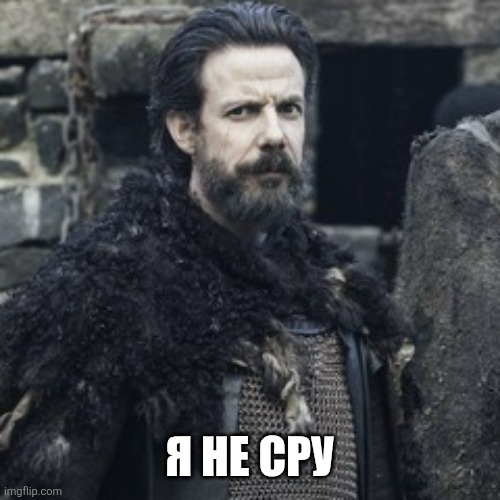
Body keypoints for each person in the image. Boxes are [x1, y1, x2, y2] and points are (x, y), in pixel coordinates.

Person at [0, 3, 418, 499]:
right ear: (185, 129)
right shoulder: (108, 293)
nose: (274, 135)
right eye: (243, 111)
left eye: (289, 109)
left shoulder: (344, 301)